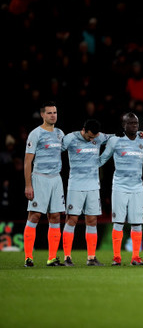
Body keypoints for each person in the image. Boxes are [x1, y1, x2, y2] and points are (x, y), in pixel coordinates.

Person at [99, 113, 143, 266]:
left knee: (137, 223)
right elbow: (103, 159)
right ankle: (117, 257)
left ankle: (135, 257)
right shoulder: (115, 142)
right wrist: (86, 165)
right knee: (118, 222)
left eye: (136, 123)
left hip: (137, 187)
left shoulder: (142, 142)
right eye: (130, 123)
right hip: (119, 187)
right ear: (123, 125)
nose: (134, 126)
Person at [61, 119, 112, 266]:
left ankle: (91, 257)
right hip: (75, 186)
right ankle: (67, 257)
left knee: (92, 220)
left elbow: (115, 138)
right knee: (72, 220)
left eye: (94, 138)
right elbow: (55, 151)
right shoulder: (70, 138)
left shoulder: (99, 137)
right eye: (89, 137)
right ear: (83, 130)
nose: (92, 140)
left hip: (93, 186)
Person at [23, 101, 65, 267]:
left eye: (54, 112)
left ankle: (52, 258)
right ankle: (28, 257)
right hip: (40, 178)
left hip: (56, 178)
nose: (53, 115)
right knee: (34, 215)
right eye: (49, 113)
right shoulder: (36, 134)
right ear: (42, 115)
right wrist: (28, 185)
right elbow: (27, 161)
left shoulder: (60, 133)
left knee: (55, 216)